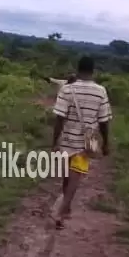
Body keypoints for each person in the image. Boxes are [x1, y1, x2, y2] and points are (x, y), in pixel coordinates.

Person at [49, 56, 111, 230]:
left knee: (70, 176)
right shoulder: (101, 91)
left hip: (67, 139)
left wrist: (54, 142)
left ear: (78, 69)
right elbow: (104, 121)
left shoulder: (67, 90)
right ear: (93, 71)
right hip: (87, 141)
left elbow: (59, 119)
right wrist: (106, 142)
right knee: (73, 177)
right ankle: (62, 211)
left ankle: (63, 209)